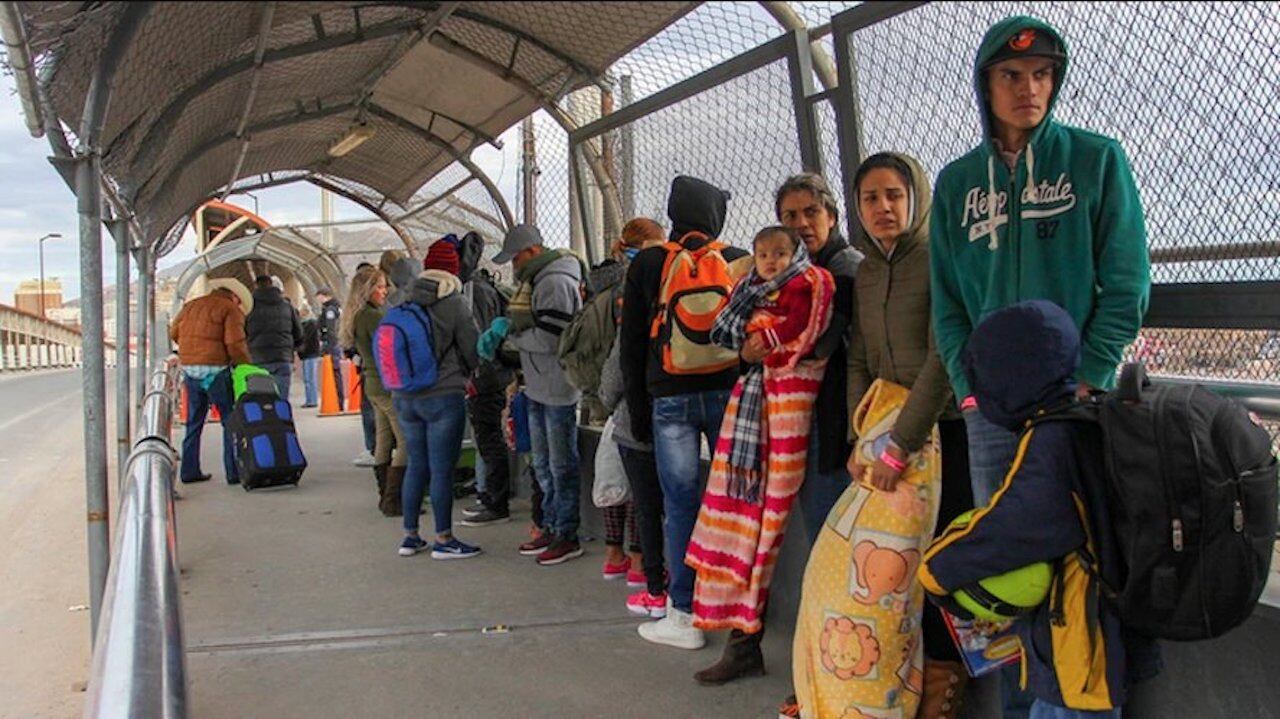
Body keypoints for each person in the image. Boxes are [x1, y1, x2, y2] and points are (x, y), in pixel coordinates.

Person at [929, 18, 1150, 715]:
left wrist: (1090, 374)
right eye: (1012, 76)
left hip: (1078, 412)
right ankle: (1025, 704)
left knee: (1081, 566)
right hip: (994, 414)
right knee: (1011, 570)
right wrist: (970, 391)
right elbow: (946, 304)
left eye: (1043, 75)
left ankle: (1081, 697)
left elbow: (1128, 282)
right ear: (985, 84)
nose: (1030, 89)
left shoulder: (1096, 160)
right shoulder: (957, 183)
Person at [787, 152, 973, 719]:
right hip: (888, 440)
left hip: (944, 436)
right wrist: (859, 439)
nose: (884, 208)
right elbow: (861, 356)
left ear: (913, 198)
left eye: (894, 195)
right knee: (880, 575)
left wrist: (899, 443)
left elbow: (944, 358)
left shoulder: (940, 260)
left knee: (940, 565)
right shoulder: (868, 271)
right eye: (871, 198)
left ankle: (942, 690)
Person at [918, 300, 1160, 719]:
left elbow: (1014, 528)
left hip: (1081, 644)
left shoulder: (1051, 440)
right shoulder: (1086, 415)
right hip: (1105, 630)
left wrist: (936, 570)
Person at [683, 226, 833, 676]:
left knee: (793, 537)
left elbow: (803, 337)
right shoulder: (761, 286)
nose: (804, 220)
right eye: (792, 214)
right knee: (748, 521)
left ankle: (819, 666)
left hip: (820, 422)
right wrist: (755, 346)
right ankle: (744, 642)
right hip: (770, 406)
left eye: (812, 211)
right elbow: (739, 337)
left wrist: (762, 343)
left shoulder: (822, 278)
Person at [619, 176, 751, 650]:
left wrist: (639, 411)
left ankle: (684, 613)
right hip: (727, 395)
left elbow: (631, 344)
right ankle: (737, 607)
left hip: (668, 397)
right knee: (731, 502)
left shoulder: (651, 262)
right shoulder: (735, 260)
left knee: (680, 504)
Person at [479, 224, 586, 566]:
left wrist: (511, 338)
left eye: (515, 257)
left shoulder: (554, 281)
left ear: (533, 251)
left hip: (557, 387)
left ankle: (566, 533)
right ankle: (551, 525)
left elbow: (552, 339)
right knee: (543, 464)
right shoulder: (536, 280)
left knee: (560, 464)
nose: (513, 265)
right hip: (539, 385)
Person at [393, 239, 482, 559]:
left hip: (404, 396)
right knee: (442, 469)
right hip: (443, 395)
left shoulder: (403, 300)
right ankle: (444, 539)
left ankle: (410, 536)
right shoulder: (455, 302)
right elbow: (472, 348)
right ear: (453, 271)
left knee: (417, 464)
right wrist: (468, 373)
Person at [594, 219, 666, 586]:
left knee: (616, 481)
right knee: (647, 495)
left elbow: (616, 363)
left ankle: (615, 556)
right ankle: (643, 568)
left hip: (620, 409)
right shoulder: (653, 282)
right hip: (655, 405)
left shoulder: (601, 285)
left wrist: (607, 400)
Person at [456, 231, 518, 527]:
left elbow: (477, 337)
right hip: (492, 375)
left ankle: (496, 502)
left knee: (489, 440)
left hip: (486, 376)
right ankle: (490, 497)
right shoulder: (480, 287)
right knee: (488, 439)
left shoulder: (474, 292)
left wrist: (474, 371)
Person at [339, 267, 409, 516]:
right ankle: (394, 499)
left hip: (372, 383)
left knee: (383, 439)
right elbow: (390, 349)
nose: (385, 290)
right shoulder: (374, 317)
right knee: (405, 442)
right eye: (379, 286)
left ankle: (384, 496)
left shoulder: (358, 315)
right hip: (386, 384)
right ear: (367, 290)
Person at [170, 286, 252, 485]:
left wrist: (190, 352)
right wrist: (244, 364)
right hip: (216, 371)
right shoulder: (230, 309)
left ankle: (189, 471)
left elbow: (174, 332)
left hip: (190, 371)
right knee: (230, 422)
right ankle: (233, 472)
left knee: (193, 423)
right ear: (233, 297)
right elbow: (235, 342)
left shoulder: (190, 306)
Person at [245, 275, 302, 399]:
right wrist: (292, 348)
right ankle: (281, 417)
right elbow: (298, 332)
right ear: (272, 284)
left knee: (260, 398)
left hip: (257, 358)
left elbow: (242, 332)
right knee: (281, 399)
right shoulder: (287, 306)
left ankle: (264, 417)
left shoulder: (248, 307)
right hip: (282, 357)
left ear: (256, 286)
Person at [315, 287, 345, 412]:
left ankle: (338, 401)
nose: (318, 301)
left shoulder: (330, 310)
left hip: (332, 345)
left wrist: (328, 345)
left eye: (319, 298)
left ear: (324, 296)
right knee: (335, 372)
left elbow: (330, 329)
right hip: (335, 344)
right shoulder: (334, 307)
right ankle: (338, 400)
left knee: (335, 371)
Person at [297, 304, 322, 408]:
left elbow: (305, 339)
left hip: (310, 353)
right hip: (308, 354)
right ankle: (310, 399)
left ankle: (312, 400)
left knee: (310, 378)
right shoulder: (306, 324)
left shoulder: (310, 324)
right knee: (308, 378)